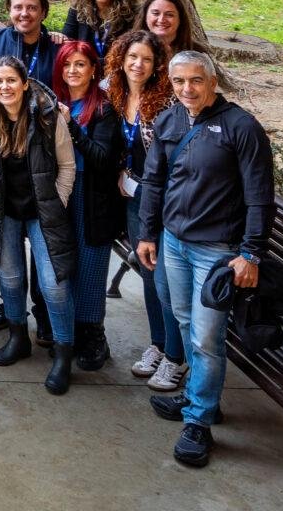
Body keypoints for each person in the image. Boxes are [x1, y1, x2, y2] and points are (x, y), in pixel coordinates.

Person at [136, 51, 273, 467]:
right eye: (179, 81)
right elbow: (154, 180)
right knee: (184, 321)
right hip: (173, 242)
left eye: (196, 80)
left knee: (205, 338)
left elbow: (259, 196)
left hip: (217, 251)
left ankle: (198, 422)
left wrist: (251, 252)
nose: (187, 89)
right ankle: (201, 398)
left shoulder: (241, 127)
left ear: (213, 82)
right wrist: (147, 233)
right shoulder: (170, 120)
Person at [0, 56, 78, 395]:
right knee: (10, 277)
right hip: (3, 208)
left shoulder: (48, 115)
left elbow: (67, 165)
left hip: (42, 210)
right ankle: (18, 337)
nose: (5, 87)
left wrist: (57, 200)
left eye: (11, 80)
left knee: (54, 284)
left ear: (25, 83)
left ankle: (63, 352)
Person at [104, 29, 187, 391]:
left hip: (163, 201)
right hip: (133, 197)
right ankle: (159, 344)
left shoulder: (167, 103)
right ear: (121, 59)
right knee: (150, 273)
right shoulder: (116, 92)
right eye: (132, 57)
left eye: (147, 60)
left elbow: (172, 162)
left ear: (157, 66)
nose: (138, 64)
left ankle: (176, 357)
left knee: (166, 281)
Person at [53, 40, 125, 372]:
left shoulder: (103, 108)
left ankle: (93, 334)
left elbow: (102, 159)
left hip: (92, 195)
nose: (73, 71)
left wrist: (70, 125)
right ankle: (65, 332)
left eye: (80, 64)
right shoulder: (55, 102)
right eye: (67, 64)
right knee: (63, 264)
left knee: (91, 266)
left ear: (94, 70)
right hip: (61, 191)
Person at [135, 0, 203, 57]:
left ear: (180, 19)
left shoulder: (196, 53)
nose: (161, 20)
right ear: (145, 16)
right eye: (156, 13)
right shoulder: (132, 47)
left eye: (169, 15)